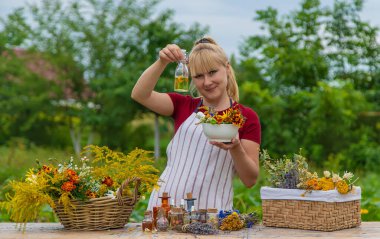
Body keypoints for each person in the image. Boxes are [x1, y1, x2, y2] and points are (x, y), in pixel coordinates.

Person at [131, 36, 261, 211]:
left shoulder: (246, 117)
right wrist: (162, 62)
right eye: (199, 76)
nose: (207, 82)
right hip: (164, 209)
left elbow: (250, 180)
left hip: (212, 216)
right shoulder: (183, 106)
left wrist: (235, 147)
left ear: (227, 69)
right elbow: (140, 94)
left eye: (212, 72)